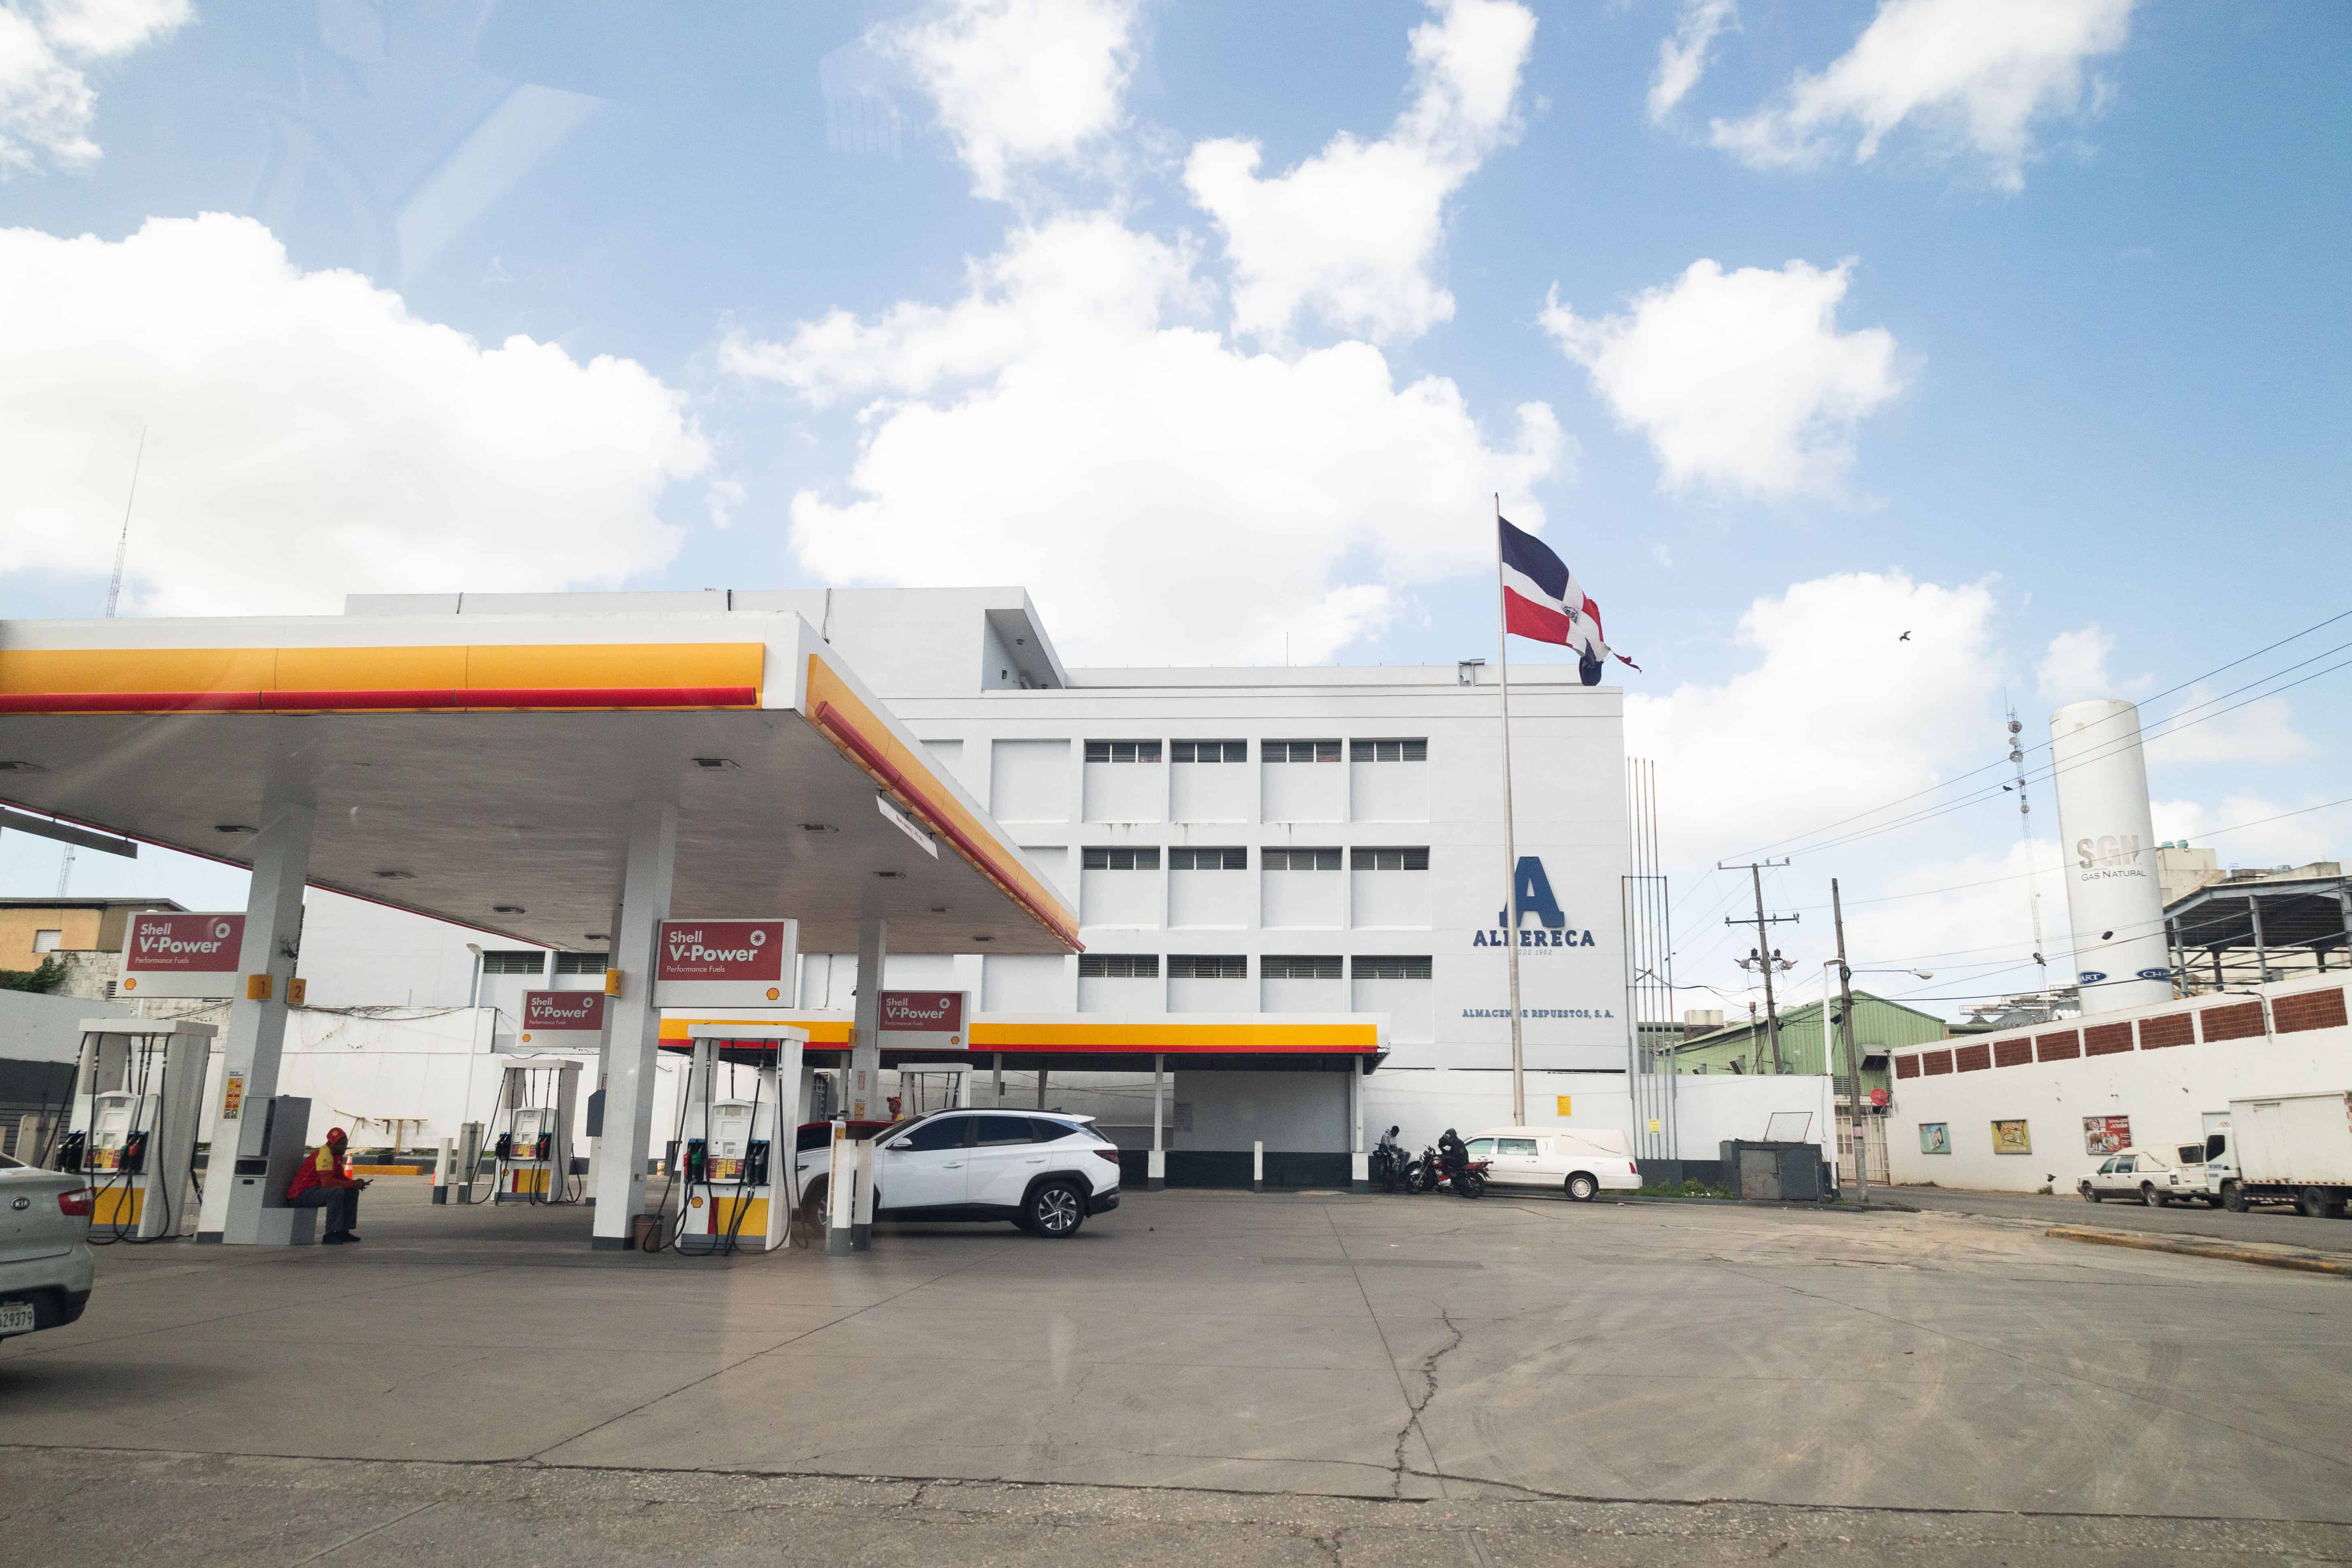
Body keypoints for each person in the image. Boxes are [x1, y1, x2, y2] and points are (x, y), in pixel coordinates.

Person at [285, 1126, 370, 1244]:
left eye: (345, 1143)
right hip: (300, 1195)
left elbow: (341, 1178)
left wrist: (356, 1184)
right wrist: (353, 1183)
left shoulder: (337, 1156)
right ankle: (331, 1233)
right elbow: (328, 1183)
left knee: (351, 1191)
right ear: (331, 1143)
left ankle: (343, 1231)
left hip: (315, 1192)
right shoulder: (324, 1155)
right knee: (336, 1192)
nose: (344, 1147)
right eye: (340, 1144)